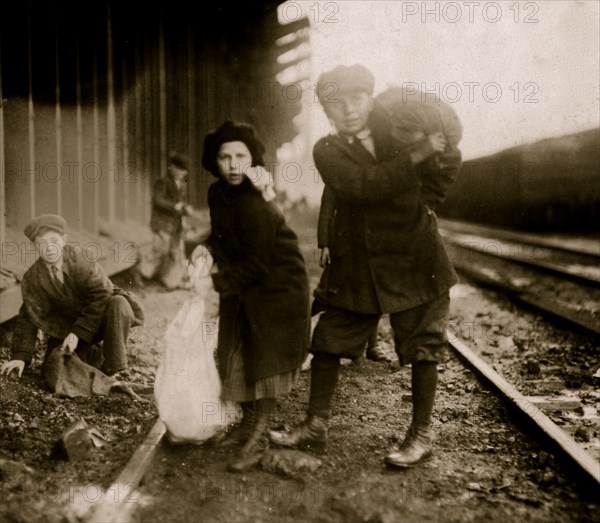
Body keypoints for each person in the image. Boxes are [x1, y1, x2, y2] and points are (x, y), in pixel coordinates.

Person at [269, 64, 460, 468]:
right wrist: (416, 158)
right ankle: (315, 425)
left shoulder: (398, 126)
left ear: (369, 98)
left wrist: (429, 202)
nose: (349, 110)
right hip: (359, 262)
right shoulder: (327, 150)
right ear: (326, 111)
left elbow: (448, 154)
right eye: (336, 104)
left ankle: (421, 435)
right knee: (328, 341)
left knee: (424, 345)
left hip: (415, 258)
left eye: (356, 99)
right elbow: (363, 186)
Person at [202, 120, 310, 470]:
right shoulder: (217, 194)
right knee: (234, 352)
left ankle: (261, 434)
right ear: (215, 161)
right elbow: (222, 236)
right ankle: (248, 424)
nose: (233, 165)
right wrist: (202, 251)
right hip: (244, 282)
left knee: (262, 360)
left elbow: (261, 263)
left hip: (277, 287)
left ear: (252, 160)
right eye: (225, 157)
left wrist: (214, 284)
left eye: (240, 156)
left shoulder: (257, 202)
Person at [0, 214, 144, 381]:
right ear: (34, 246)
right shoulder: (33, 277)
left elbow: (102, 294)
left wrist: (78, 332)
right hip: (66, 330)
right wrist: (19, 356)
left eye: (54, 241)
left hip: (100, 322)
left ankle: (113, 368)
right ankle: (91, 356)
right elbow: (28, 316)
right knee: (55, 370)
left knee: (118, 303)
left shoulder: (81, 260)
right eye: (42, 243)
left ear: (64, 240)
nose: (49, 248)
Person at [143, 151, 194, 290]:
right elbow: (157, 200)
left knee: (174, 252)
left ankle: (170, 282)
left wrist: (184, 208)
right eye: (181, 170)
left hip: (175, 224)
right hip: (162, 223)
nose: (183, 173)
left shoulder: (182, 184)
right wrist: (176, 206)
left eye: (185, 171)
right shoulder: (163, 181)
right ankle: (142, 274)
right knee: (160, 251)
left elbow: (179, 203)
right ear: (173, 168)